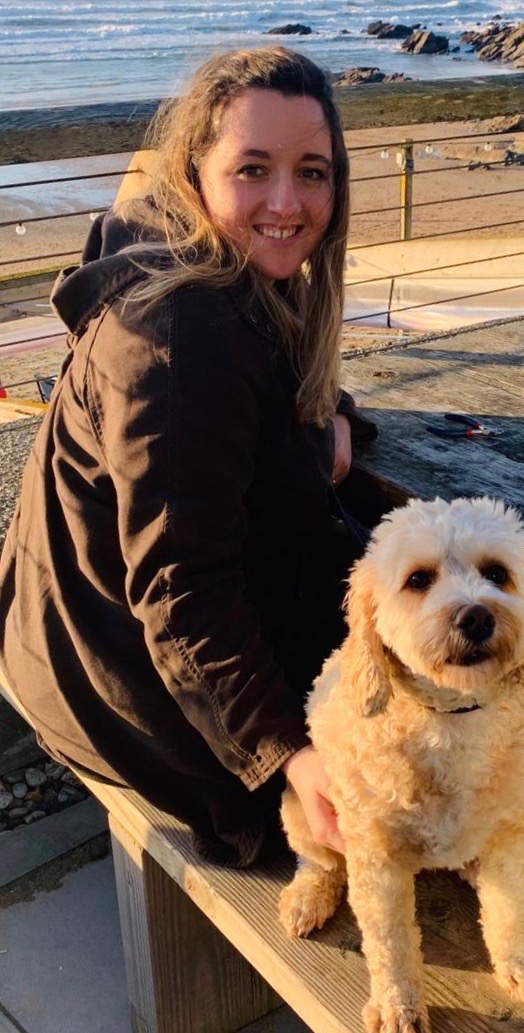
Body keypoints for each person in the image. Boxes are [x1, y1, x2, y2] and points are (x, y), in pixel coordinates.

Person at [0, 47, 376, 867]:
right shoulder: (181, 339)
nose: (286, 202)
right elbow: (182, 592)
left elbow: (261, 395)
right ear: (196, 169)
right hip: (110, 678)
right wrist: (290, 754)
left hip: (61, 632)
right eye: (252, 169)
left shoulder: (191, 249)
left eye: (311, 172)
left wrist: (331, 414)